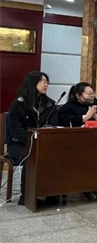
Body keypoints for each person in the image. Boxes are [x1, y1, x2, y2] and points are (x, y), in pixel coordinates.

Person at [6, 71, 57, 205]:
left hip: (43, 143)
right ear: (33, 83)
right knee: (32, 156)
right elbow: (15, 129)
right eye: (43, 81)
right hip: (20, 144)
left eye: (47, 82)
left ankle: (52, 194)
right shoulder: (19, 104)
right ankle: (26, 196)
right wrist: (31, 141)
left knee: (56, 155)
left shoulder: (50, 105)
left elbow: (53, 126)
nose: (46, 85)